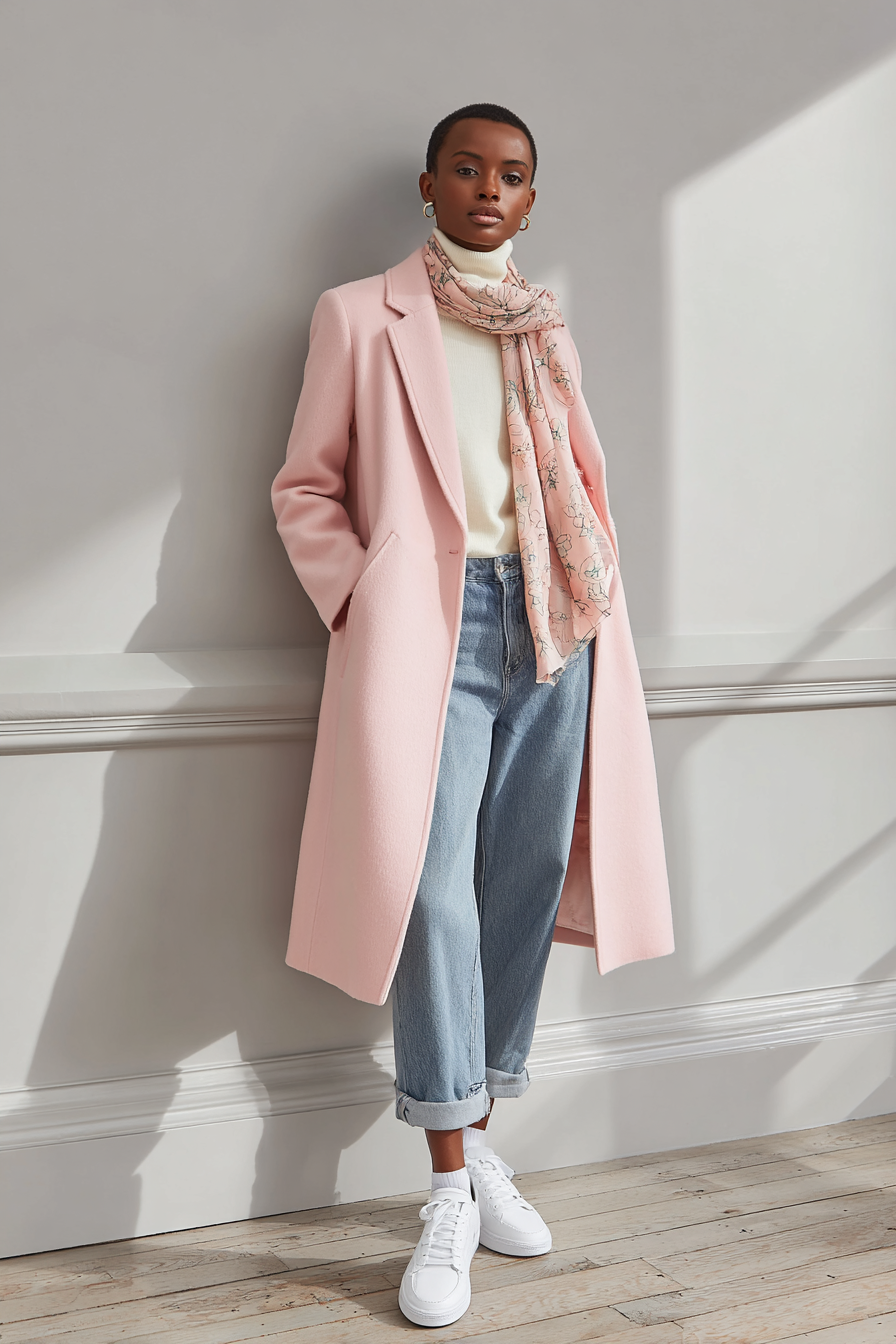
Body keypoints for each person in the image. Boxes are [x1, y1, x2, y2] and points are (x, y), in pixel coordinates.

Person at [272, 103, 674, 1329]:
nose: (487, 190)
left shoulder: (546, 326)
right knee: (431, 888)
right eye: (467, 169)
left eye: (510, 176)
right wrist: (366, 596)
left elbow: (572, 483)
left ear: (530, 200)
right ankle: (448, 1181)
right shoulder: (359, 314)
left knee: (525, 876)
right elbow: (303, 488)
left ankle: (481, 1134)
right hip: (431, 632)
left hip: (556, 621)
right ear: (428, 184)